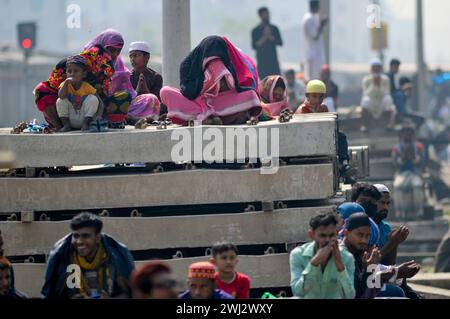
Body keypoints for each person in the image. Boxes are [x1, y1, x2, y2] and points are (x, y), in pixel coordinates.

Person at [34, 29, 134, 128]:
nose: (115, 54)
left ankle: (98, 123)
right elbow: (58, 94)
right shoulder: (71, 65)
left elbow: (101, 98)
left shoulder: (106, 67)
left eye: (118, 51)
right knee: (43, 91)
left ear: (84, 73)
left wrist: (97, 113)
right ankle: (60, 126)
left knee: (122, 96)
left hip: (89, 114)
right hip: (67, 114)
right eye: (111, 50)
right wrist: (68, 84)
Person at [161, 36, 261, 125]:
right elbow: (188, 92)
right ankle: (209, 117)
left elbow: (233, 88)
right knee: (165, 91)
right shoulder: (187, 64)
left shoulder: (224, 62)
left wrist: (223, 82)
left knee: (251, 94)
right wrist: (204, 82)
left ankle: (206, 118)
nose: (215, 60)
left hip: (218, 101)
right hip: (196, 101)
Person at [42, 212, 135, 299]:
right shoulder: (62, 256)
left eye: (85, 236)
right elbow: (51, 294)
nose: (79, 242)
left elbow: (129, 294)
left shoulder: (116, 257)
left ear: (97, 238)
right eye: (76, 236)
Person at [297, 80, 357, 183]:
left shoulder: (323, 108)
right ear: (308, 96)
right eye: (314, 96)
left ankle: (345, 164)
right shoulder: (303, 110)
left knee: (341, 136)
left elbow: (328, 125)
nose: (317, 100)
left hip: (322, 137)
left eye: (320, 97)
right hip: (307, 141)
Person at [290, 213, 355, 299]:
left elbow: (350, 296)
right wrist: (314, 263)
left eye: (331, 235)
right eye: (322, 236)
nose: (328, 240)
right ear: (311, 235)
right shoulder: (298, 254)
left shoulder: (346, 257)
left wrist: (340, 266)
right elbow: (297, 292)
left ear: (336, 233)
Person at [56, 55, 100, 132]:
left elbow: (100, 102)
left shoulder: (87, 86)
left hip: (84, 118)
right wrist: (66, 83)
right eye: (69, 71)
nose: (72, 74)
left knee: (93, 99)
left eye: (76, 71)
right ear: (66, 74)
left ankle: (85, 125)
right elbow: (61, 96)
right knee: (60, 100)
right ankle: (66, 126)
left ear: (84, 74)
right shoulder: (65, 85)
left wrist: (98, 116)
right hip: (70, 118)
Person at [392, 124, 426, 220]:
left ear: (413, 134)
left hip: (414, 173)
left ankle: (419, 212)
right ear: (402, 135)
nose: (407, 135)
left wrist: (414, 158)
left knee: (417, 186)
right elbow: (395, 163)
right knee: (397, 186)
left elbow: (422, 161)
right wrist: (402, 159)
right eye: (405, 133)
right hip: (401, 173)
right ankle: (400, 213)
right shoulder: (396, 148)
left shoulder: (419, 146)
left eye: (409, 133)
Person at [127, 41, 163, 126]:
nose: (132, 59)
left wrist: (146, 89)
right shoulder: (128, 76)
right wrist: (138, 89)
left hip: (151, 109)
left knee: (164, 104)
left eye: (136, 55)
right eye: (131, 56)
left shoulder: (156, 77)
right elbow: (128, 101)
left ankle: (142, 119)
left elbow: (156, 101)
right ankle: (145, 119)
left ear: (147, 57)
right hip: (134, 108)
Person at [360, 59, 396, 132]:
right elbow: (366, 93)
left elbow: (386, 92)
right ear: (371, 69)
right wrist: (374, 85)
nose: (376, 70)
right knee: (365, 100)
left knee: (388, 99)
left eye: (377, 68)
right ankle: (363, 125)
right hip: (371, 102)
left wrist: (379, 85)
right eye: (374, 68)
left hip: (381, 102)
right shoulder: (366, 79)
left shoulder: (385, 79)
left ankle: (389, 124)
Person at [251, 7, 283, 79]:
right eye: (265, 14)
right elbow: (254, 46)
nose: (267, 15)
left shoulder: (274, 28)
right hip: (262, 63)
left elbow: (280, 42)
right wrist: (265, 37)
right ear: (260, 15)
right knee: (264, 84)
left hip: (273, 62)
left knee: (276, 82)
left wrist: (271, 37)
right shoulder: (255, 30)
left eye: (268, 14)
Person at [302, 0, 328, 81]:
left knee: (317, 77)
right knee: (313, 78)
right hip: (313, 54)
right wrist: (322, 25)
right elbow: (315, 35)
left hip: (316, 54)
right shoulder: (309, 18)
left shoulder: (313, 17)